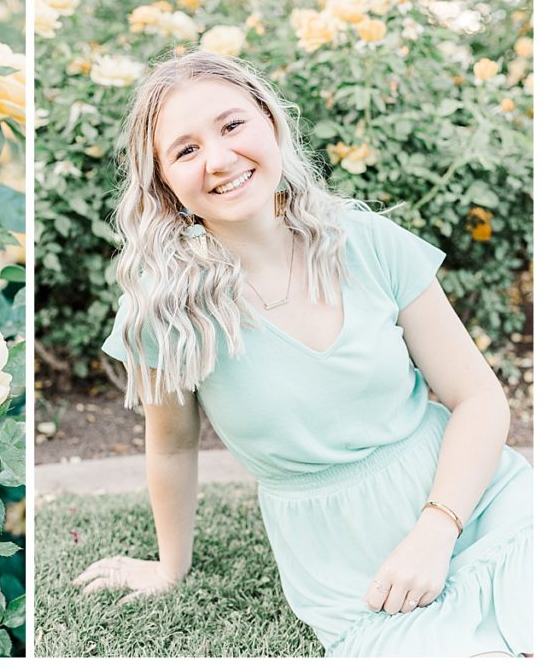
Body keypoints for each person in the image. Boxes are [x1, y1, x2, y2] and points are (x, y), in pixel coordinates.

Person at [76, 49, 533, 657]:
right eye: (185, 150)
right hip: (344, 560)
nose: (218, 159)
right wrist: (168, 567)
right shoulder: (162, 312)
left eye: (232, 125)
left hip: (476, 499)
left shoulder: (368, 242)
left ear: (271, 123)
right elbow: (173, 443)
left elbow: (477, 398)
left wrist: (437, 529)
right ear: (165, 184)